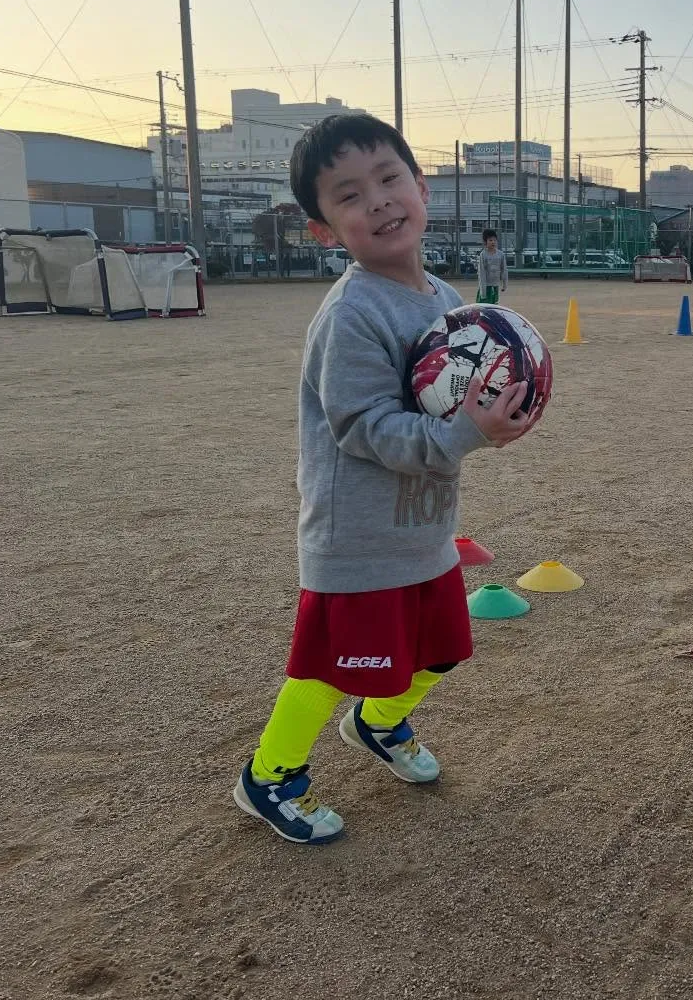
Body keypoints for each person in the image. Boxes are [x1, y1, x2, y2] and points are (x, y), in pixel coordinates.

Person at [233, 112, 537, 845]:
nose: (377, 200)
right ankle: (268, 777)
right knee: (333, 667)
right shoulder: (352, 313)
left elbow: (453, 394)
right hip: (359, 537)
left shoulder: (442, 299)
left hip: (423, 527)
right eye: (348, 195)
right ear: (323, 228)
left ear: (422, 188)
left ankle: (379, 724)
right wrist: (468, 432)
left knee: (439, 650)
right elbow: (364, 426)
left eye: (389, 178)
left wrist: (497, 408)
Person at [476, 228, 508, 305]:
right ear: (485, 242)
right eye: (490, 240)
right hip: (486, 286)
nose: (493, 242)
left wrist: (504, 284)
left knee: (494, 307)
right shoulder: (483, 255)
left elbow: (504, 269)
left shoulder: (501, 254)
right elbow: (481, 273)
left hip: (495, 285)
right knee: (483, 308)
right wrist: (483, 291)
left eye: (494, 240)